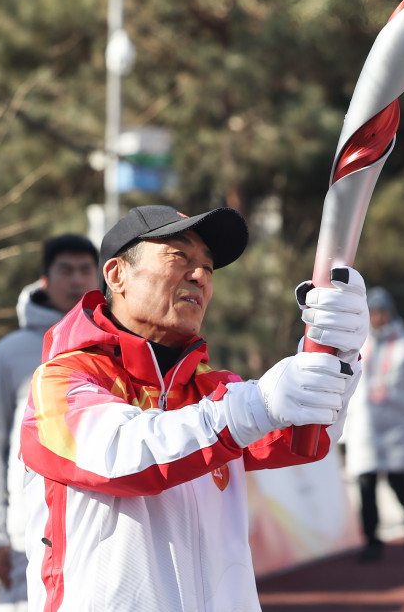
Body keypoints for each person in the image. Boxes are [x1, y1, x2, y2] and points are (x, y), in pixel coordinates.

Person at [19, 205, 368, 612]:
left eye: (208, 266)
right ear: (117, 275)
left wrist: (336, 353)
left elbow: (308, 437)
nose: (200, 275)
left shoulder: (214, 390)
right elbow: (120, 454)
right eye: (179, 257)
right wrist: (254, 405)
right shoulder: (63, 379)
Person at [0, 233, 99, 612]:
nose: (76, 280)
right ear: (45, 280)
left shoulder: (118, 347)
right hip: (28, 534)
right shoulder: (10, 353)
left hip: (99, 531)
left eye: (85, 270)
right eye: (66, 270)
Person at [341, 286, 404, 562]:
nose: (378, 317)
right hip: (364, 428)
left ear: (391, 313)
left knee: (399, 484)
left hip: (399, 427)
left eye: (382, 311)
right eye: (373, 312)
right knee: (365, 484)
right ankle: (372, 541)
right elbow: (344, 391)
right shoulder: (356, 345)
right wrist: (342, 436)